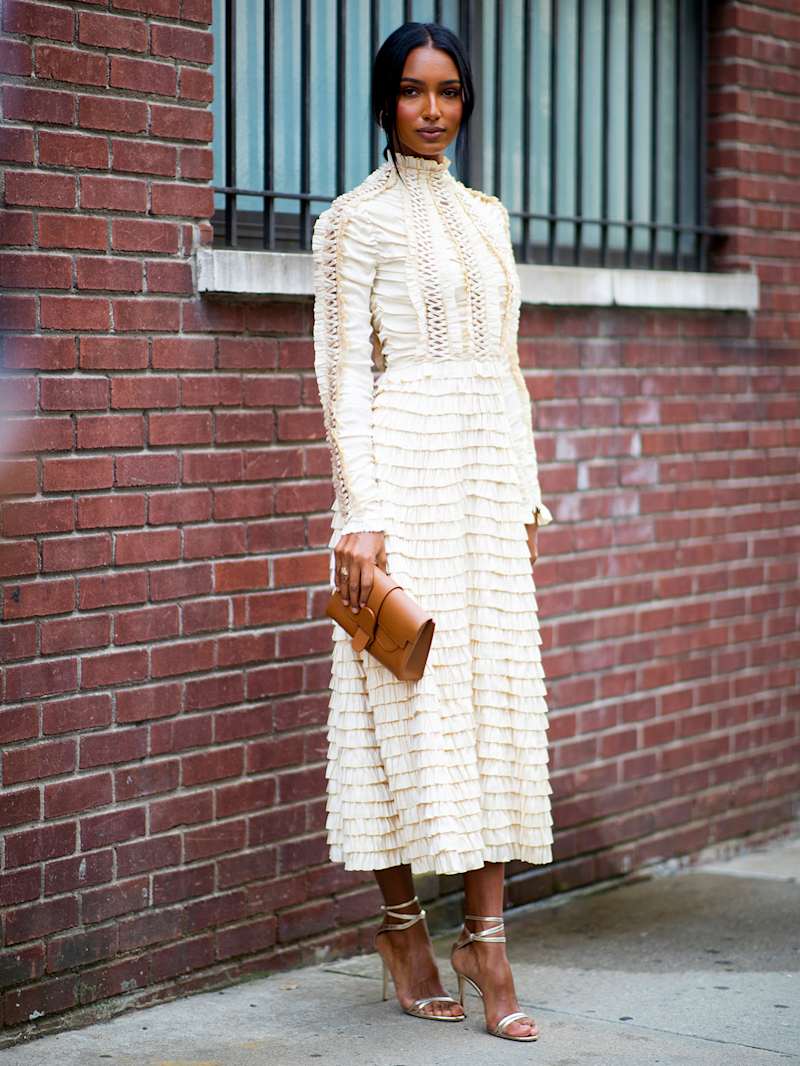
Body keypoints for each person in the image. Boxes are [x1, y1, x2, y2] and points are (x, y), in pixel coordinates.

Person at [311, 21, 554, 1043]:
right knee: (399, 706)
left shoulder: (488, 218)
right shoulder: (349, 223)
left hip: (485, 483)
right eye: (412, 91)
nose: (431, 109)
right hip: (401, 479)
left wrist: (528, 492)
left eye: (447, 91)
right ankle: (404, 929)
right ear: (384, 100)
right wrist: (361, 515)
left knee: (494, 702)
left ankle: (486, 939)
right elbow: (340, 373)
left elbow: (505, 362)